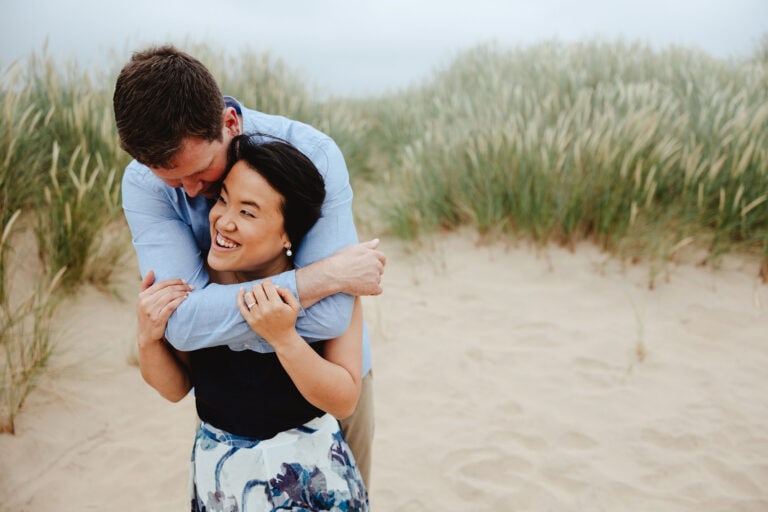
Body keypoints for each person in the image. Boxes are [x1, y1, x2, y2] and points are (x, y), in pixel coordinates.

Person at [114, 45, 382, 486]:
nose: (192, 192)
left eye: (201, 173)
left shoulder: (313, 153)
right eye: (171, 179)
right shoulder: (144, 182)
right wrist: (324, 277)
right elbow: (181, 327)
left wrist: (213, 317)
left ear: (230, 123)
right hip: (232, 407)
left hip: (326, 387)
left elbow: (333, 316)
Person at [137, 135, 368, 510]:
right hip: (225, 482)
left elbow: (344, 400)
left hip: (309, 478)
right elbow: (176, 388)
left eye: (247, 212)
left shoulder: (330, 291)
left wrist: (285, 339)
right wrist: (148, 338)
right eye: (223, 199)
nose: (223, 221)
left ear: (287, 234)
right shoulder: (198, 292)